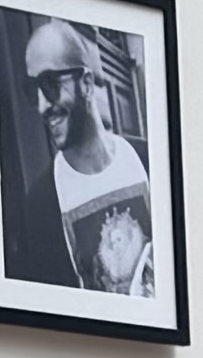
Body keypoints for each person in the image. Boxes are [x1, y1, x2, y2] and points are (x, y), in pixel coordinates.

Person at [20, 16, 155, 298]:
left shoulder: (150, 161)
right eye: (33, 91)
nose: (43, 106)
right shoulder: (39, 207)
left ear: (87, 84)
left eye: (50, 84)